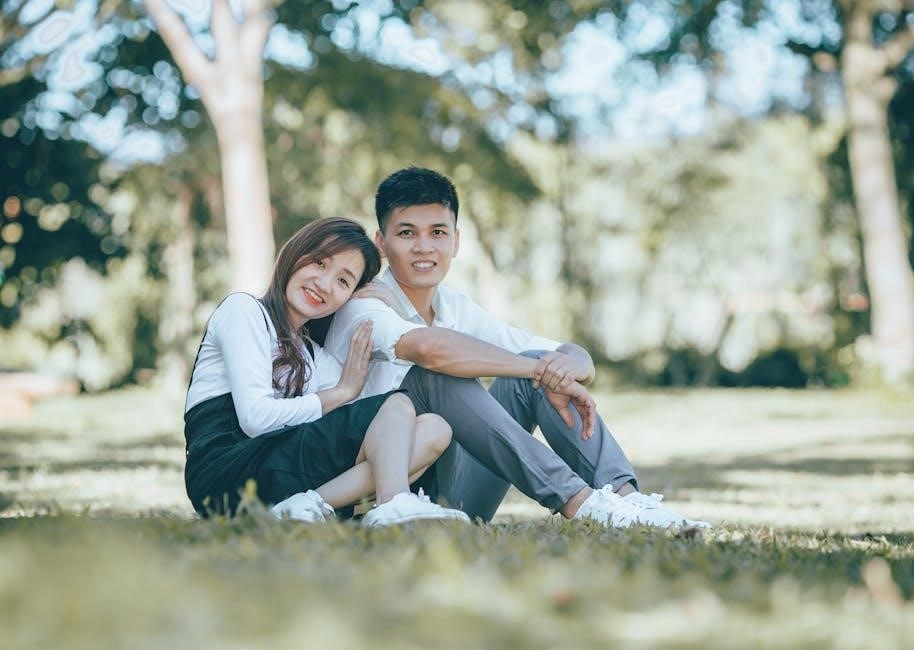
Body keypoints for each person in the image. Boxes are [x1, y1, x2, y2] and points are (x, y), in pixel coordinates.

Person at [324, 168, 709, 529]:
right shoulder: (364, 303)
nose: (424, 247)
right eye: (407, 233)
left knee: (531, 371)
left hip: (455, 493)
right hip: (377, 492)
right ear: (382, 243)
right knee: (439, 374)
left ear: (456, 241)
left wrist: (571, 365)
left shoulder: (456, 306)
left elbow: (562, 354)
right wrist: (539, 368)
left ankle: (628, 501)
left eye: (438, 232)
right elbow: (429, 350)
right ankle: (580, 501)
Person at [183, 217, 470, 526]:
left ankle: (309, 504)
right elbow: (255, 419)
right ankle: (394, 502)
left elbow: (384, 427)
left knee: (434, 428)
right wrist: (340, 393)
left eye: (343, 282)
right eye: (320, 263)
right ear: (295, 252)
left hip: (278, 470)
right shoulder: (243, 310)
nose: (324, 284)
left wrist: (397, 311)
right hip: (224, 474)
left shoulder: (313, 357)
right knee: (397, 405)